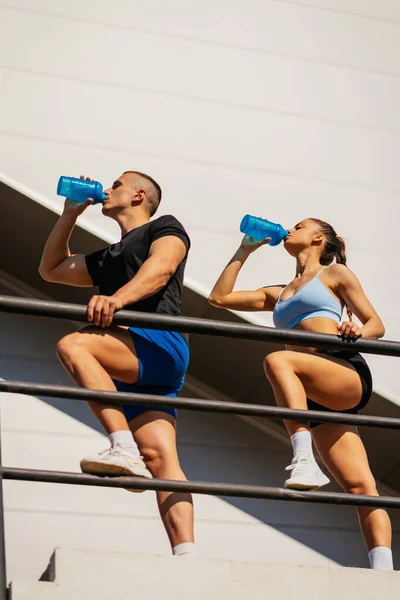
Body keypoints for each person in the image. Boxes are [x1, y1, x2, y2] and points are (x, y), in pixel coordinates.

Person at [208, 217, 393, 570]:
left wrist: (356, 328)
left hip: (340, 369)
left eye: (299, 225)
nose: (289, 230)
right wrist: (245, 249)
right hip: (310, 390)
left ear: (317, 238)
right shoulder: (278, 292)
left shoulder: (334, 275)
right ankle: (383, 572)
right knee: (360, 486)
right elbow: (219, 298)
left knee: (278, 360)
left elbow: (377, 325)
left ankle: (303, 459)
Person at [39, 171, 195, 557]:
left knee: (75, 345)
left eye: (116, 185)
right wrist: (69, 214)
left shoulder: (165, 227)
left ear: (139, 196)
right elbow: (52, 269)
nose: (107, 190)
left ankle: (122, 446)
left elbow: (160, 270)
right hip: (130, 362)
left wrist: (116, 301)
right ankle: (187, 556)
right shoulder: (110, 255)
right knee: (161, 459)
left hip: (158, 344)